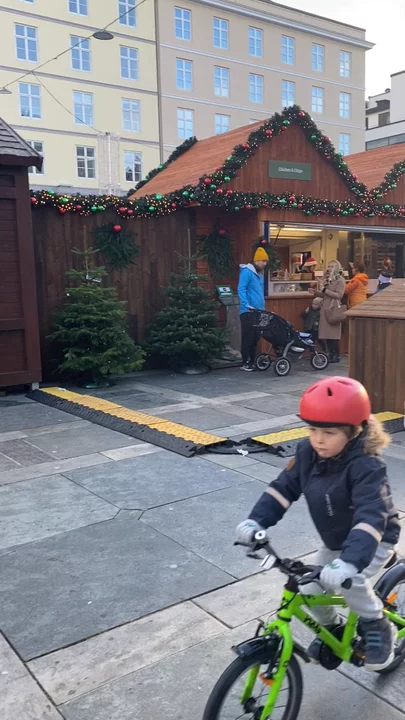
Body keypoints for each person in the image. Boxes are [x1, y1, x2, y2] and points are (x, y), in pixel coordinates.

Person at [236, 376, 400, 672]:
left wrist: (349, 563)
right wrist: (256, 521)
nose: (318, 439)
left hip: (374, 539)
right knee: (310, 587)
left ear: (354, 431)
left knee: (352, 582)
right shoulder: (307, 453)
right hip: (336, 539)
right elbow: (283, 488)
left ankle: (377, 625)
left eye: (329, 432)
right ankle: (334, 629)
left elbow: (371, 516)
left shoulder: (367, 466)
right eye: (312, 429)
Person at [238, 247, 268, 371]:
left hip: (258, 310)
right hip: (248, 310)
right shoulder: (246, 272)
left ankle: (251, 360)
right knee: (248, 337)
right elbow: (241, 288)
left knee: (255, 337)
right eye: (263, 261)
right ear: (256, 261)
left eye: (266, 261)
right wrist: (246, 304)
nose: (265, 264)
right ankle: (245, 362)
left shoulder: (259, 275)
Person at [309, 259, 345, 363]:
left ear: (337, 268)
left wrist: (325, 290)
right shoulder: (329, 279)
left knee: (333, 334)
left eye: (331, 267)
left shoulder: (340, 280)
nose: (329, 268)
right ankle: (330, 354)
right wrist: (316, 292)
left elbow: (339, 295)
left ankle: (336, 355)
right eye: (328, 266)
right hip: (325, 307)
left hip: (333, 308)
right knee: (327, 334)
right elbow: (325, 294)